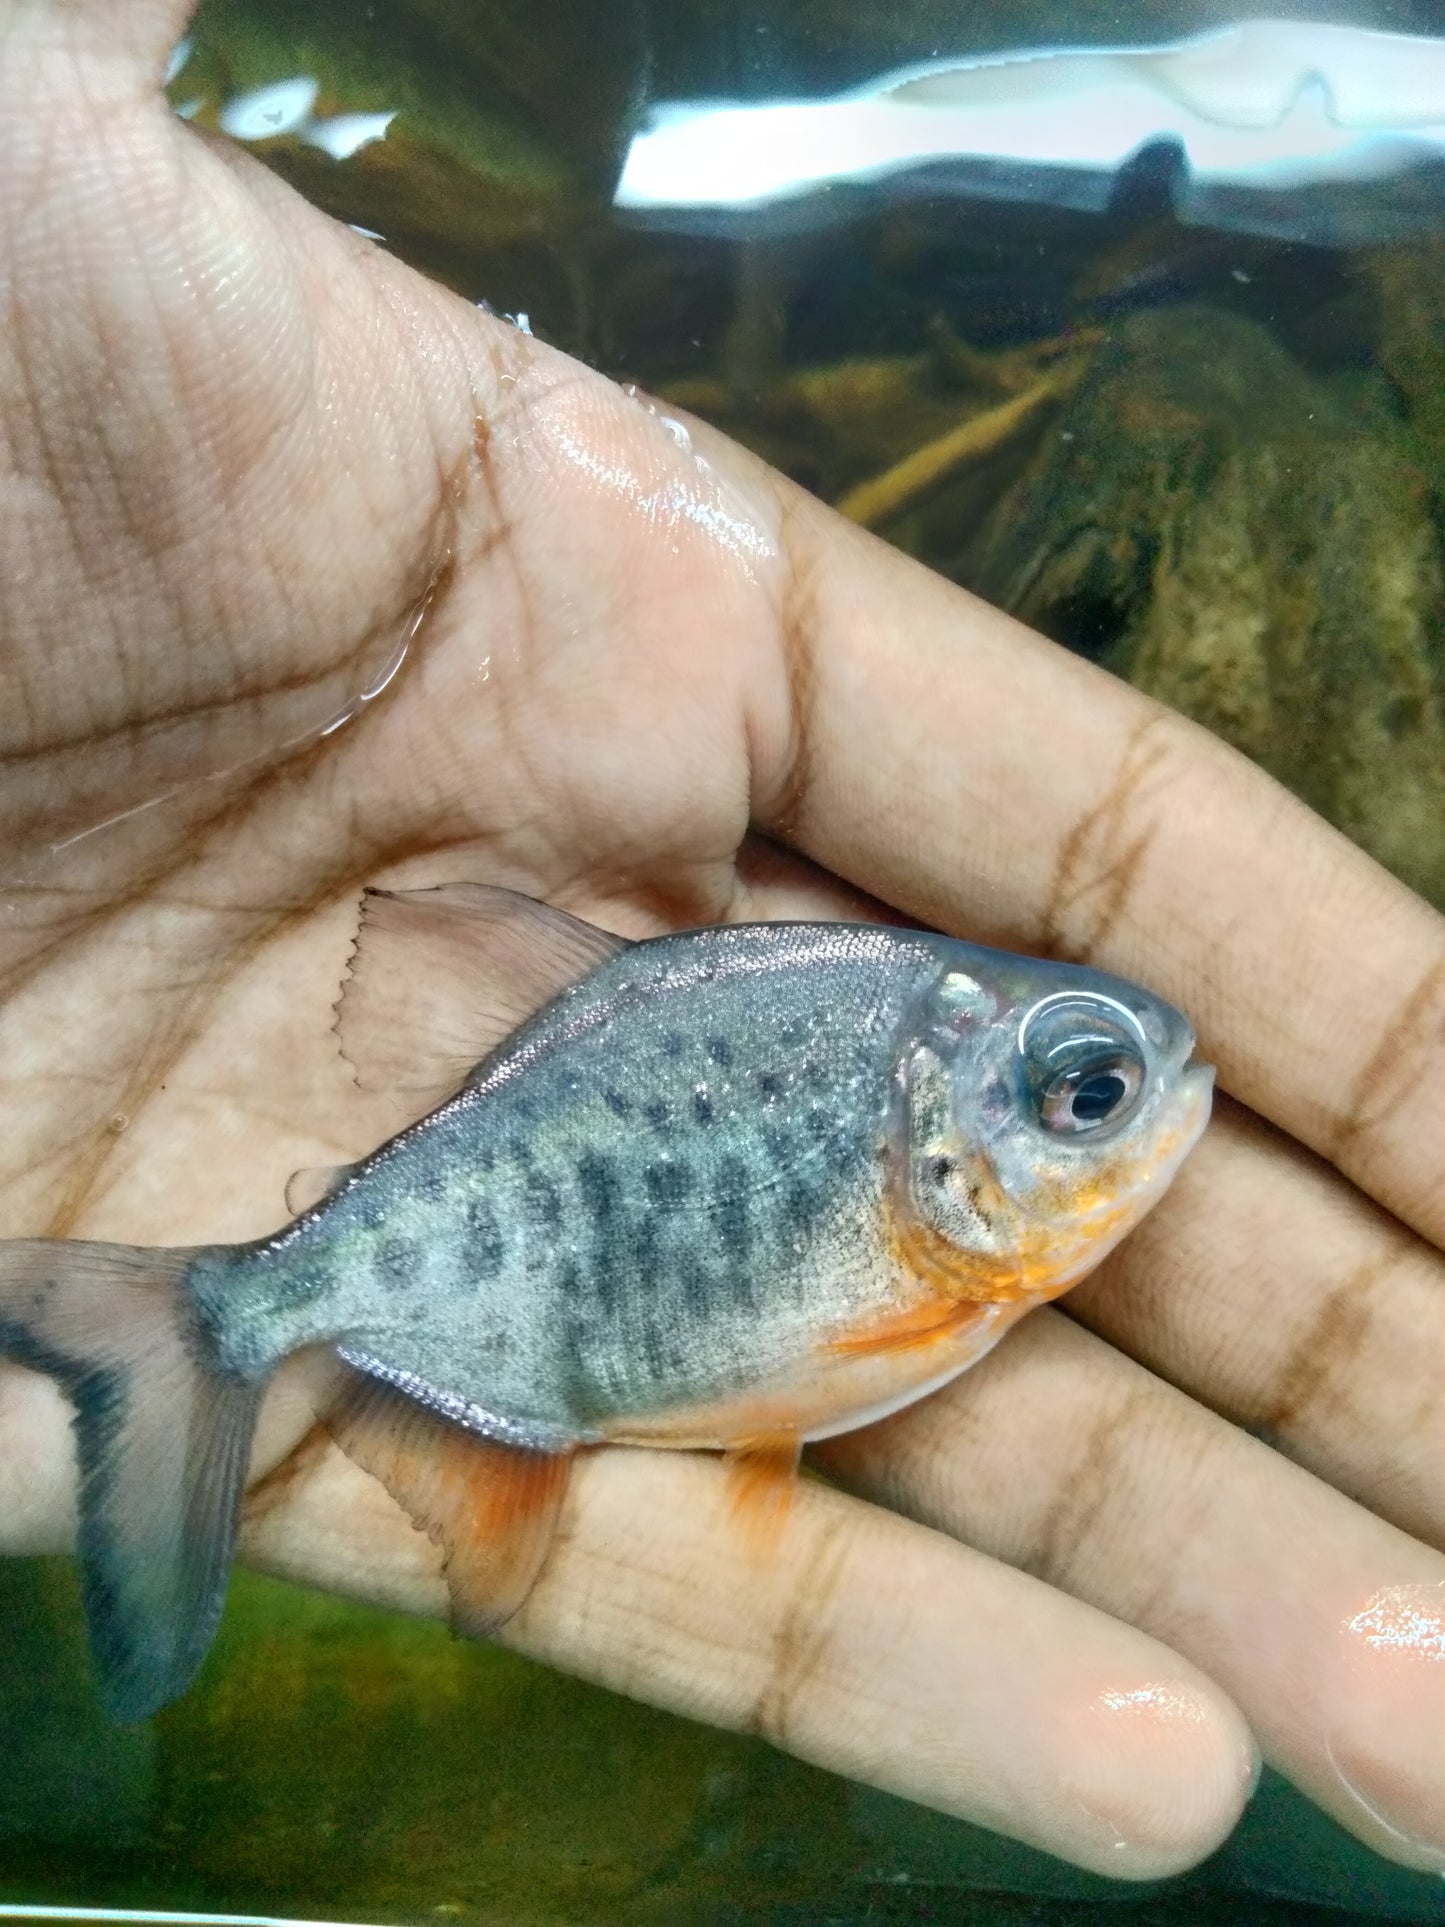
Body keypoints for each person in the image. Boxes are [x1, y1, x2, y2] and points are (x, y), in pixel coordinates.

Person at [4, 0, 1445, 1883]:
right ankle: (201, 1321)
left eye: (1087, 1093)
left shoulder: (919, 1196)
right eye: (1083, 1094)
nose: (1127, 1110)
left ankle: (208, 1320)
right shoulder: (920, 1205)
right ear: (949, 1128)